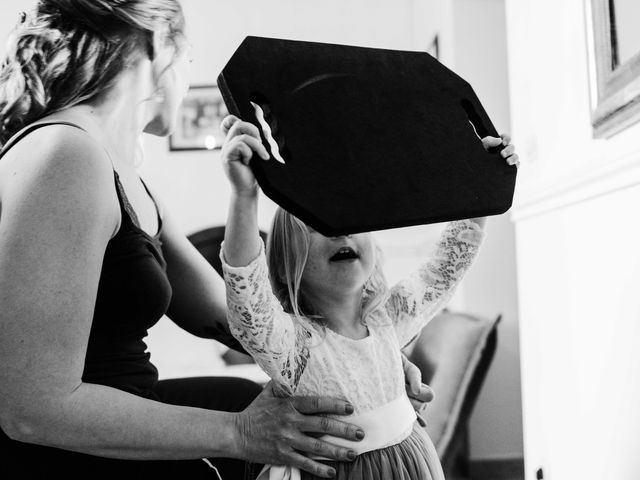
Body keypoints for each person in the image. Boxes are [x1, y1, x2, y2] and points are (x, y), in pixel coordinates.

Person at [0, 1, 433, 479]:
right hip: (59, 447)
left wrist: (367, 359)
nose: (186, 75)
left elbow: (228, 320)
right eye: (187, 58)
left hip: (122, 405)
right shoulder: (65, 156)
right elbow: (30, 409)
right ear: (155, 46)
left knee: (298, 414)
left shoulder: (125, 176)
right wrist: (239, 432)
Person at [219, 114, 519, 479]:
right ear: (282, 267)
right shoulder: (293, 345)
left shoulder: (388, 318)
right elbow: (248, 299)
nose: (340, 234)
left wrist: (480, 179)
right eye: (317, 225)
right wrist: (244, 195)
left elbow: (445, 267)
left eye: (350, 222)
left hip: (412, 466)